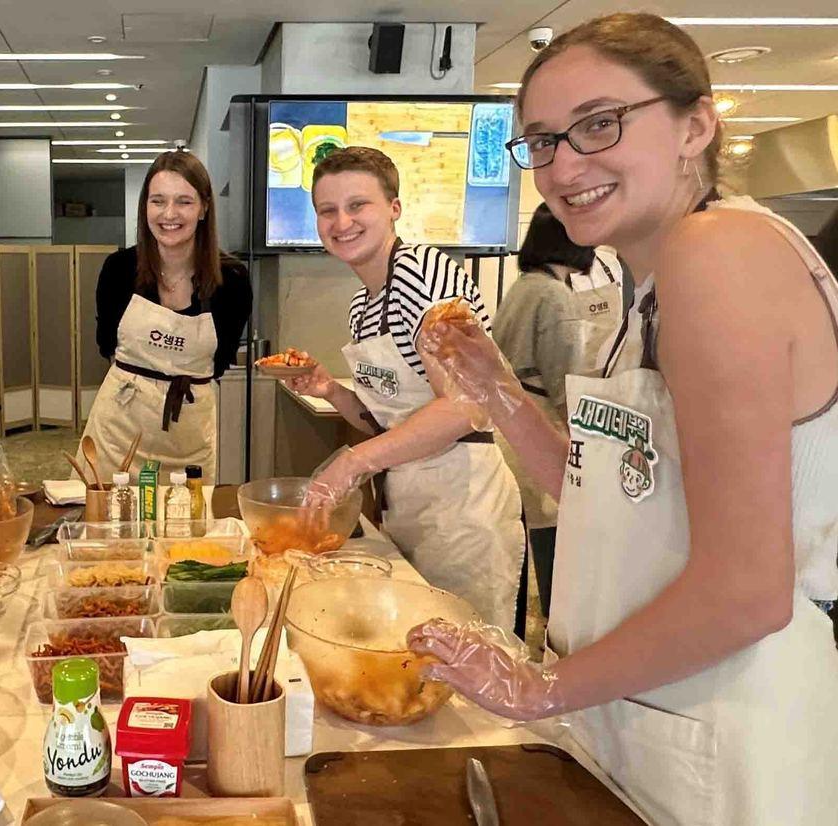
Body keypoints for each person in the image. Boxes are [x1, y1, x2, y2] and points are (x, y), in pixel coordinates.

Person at [407, 14, 838, 825]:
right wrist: (498, 391)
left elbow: (748, 592)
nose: (565, 165)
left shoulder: (719, 252)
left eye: (600, 123)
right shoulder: (636, 291)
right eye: (543, 140)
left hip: (726, 723)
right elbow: (610, 501)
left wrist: (536, 688)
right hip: (646, 708)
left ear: (695, 126)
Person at [288, 146, 525, 631]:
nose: (342, 222)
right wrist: (331, 390)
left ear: (394, 208)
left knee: (465, 650)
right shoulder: (362, 304)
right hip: (409, 504)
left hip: (463, 508)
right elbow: (386, 422)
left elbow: (465, 407)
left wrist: (352, 463)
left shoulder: (425, 275)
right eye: (328, 210)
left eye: (358, 205)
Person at [79, 151, 252, 482]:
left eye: (184, 202)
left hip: (188, 437)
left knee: (188, 513)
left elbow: (220, 360)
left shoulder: (232, 280)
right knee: (107, 513)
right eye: (158, 201)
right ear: (145, 207)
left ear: (203, 208)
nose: (169, 214)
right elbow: (107, 345)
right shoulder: (119, 269)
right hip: (118, 432)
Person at [492, 203, 622, 615]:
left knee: (520, 543)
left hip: (509, 426)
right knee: (551, 538)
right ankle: (552, 624)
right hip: (539, 425)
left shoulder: (523, 287)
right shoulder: (554, 296)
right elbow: (565, 383)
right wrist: (581, 440)